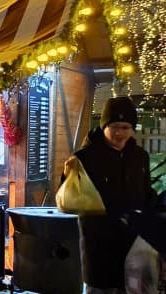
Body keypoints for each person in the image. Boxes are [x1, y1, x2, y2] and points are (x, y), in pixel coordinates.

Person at [68, 97, 156, 292]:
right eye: (115, 126)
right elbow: (68, 196)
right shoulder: (85, 157)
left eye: (126, 127)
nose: (120, 133)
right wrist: (68, 175)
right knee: (100, 288)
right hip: (99, 243)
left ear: (133, 128)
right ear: (104, 126)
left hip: (134, 242)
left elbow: (146, 192)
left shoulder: (140, 156)